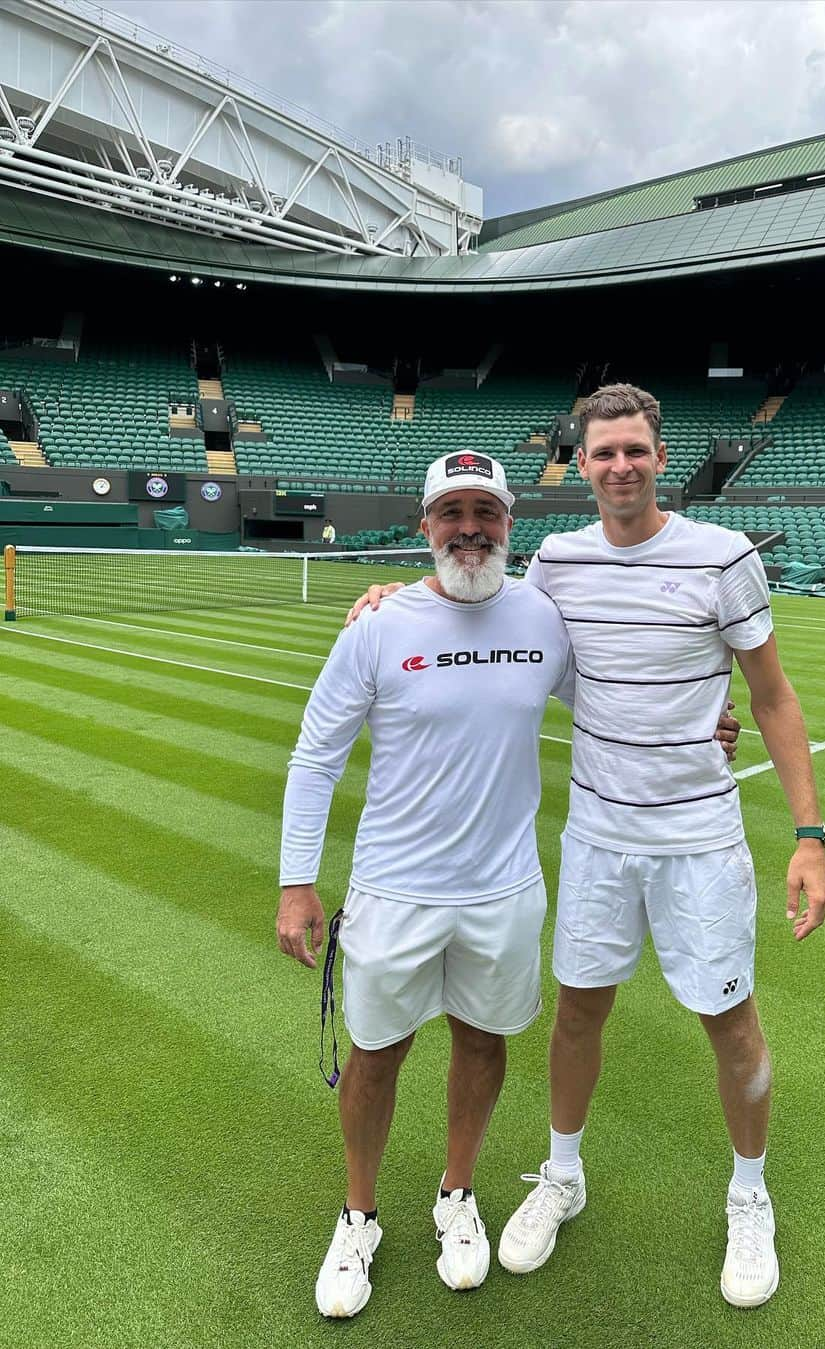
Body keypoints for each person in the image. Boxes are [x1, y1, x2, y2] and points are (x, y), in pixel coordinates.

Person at [349, 384, 825, 1309]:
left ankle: (748, 1193)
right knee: (577, 1014)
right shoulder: (557, 564)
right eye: (603, 452)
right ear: (581, 463)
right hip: (599, 835)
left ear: (661, 455)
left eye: (635, 450)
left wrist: (809, 835)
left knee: (730, 1024)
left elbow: (772, 697)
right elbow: (484, 617)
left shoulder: (723, 557)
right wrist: (383, 598)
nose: (620, 466)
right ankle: (561, 1176)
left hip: (698, 836)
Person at [279, 449, 741, 1319]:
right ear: (425, 527)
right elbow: (315, 756)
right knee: (378, 1055)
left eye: (484, 512)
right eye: (451, 513)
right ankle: (359, 1213)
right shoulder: (376, 625)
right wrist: (297, 884)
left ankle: (458, 1194)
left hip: (504, 891)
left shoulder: (541, 615)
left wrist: (697, 724)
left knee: (484, 1043)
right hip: (393, 890)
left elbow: (608, 695)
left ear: (508, 525)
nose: (469, 529)